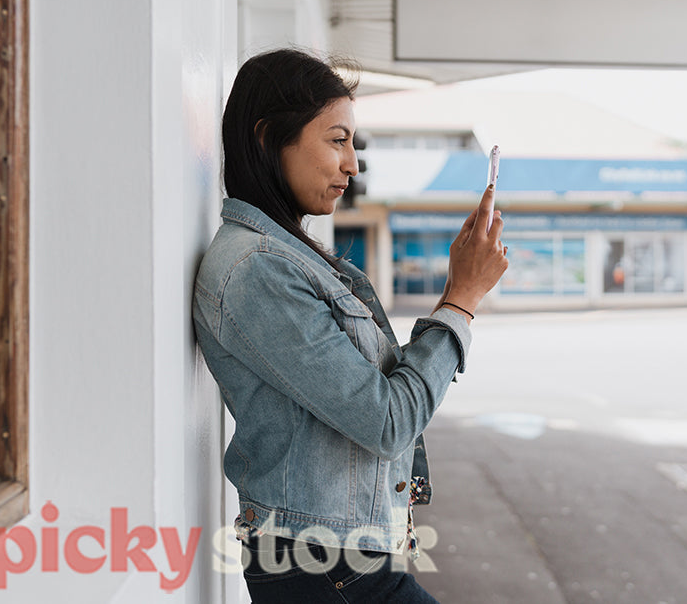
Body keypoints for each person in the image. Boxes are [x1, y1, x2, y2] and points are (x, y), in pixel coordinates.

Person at [192, 48, 508, 603]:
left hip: (337, 563)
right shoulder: (258, 269)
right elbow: (388, 420)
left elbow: (377, 396)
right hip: (323, 568)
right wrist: (461, 300)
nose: (352, 165)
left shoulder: (291, 258)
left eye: (352, 145)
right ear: (268, 138)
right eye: (337, 141)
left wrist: (455, 295)